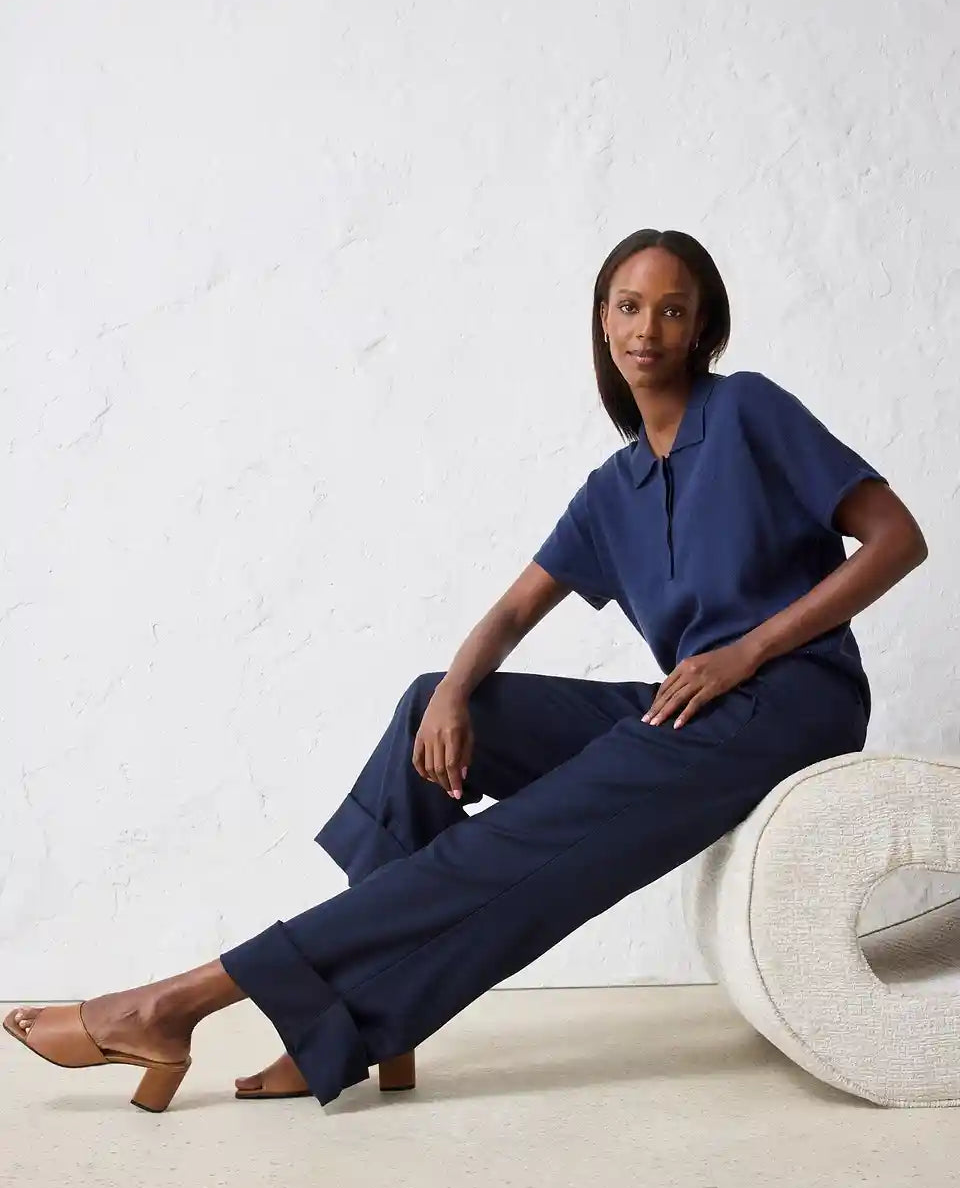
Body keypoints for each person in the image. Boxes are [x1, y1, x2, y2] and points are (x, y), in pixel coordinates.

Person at [4, 228, 928, 1113]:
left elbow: (897, 539)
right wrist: (451, 695)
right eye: (628, 306)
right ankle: (367, 1023)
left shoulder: (748, 411)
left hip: (790, 700)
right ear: (602, 321)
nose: (648, 329)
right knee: (429, 712)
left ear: (702, 328)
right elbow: (515, 610)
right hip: (691, 707)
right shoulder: (613, 490)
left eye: (673, 310)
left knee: (514, 840)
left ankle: (176, 1003)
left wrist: (749, 649)